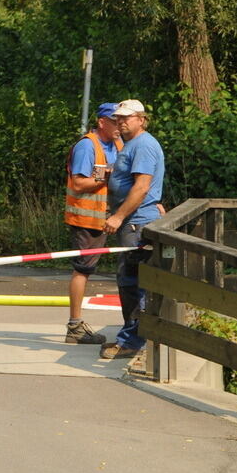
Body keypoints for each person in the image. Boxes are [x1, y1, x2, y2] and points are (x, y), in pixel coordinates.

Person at [100, 99, 165, 360]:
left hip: (137, 222)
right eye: (118, 118)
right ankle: (131, 337)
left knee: (134, 282)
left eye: (127, 117)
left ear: (141, 119)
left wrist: (118, 216)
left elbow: (141, 186)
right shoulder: (132, 145)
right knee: (128, 281)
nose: (121, 121)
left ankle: (131, 342)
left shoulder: (144, 145)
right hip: (134, 219)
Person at [63, 102, 122, 345]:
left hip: (111, 215)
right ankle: (75, 326)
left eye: (121, 120)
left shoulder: (118, 144)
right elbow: (78, 184)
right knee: (83, 269)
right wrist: (109, 174)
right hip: (87, 218)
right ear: (101, 122)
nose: (120, 125)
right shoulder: (88, 146)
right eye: (114, 121)